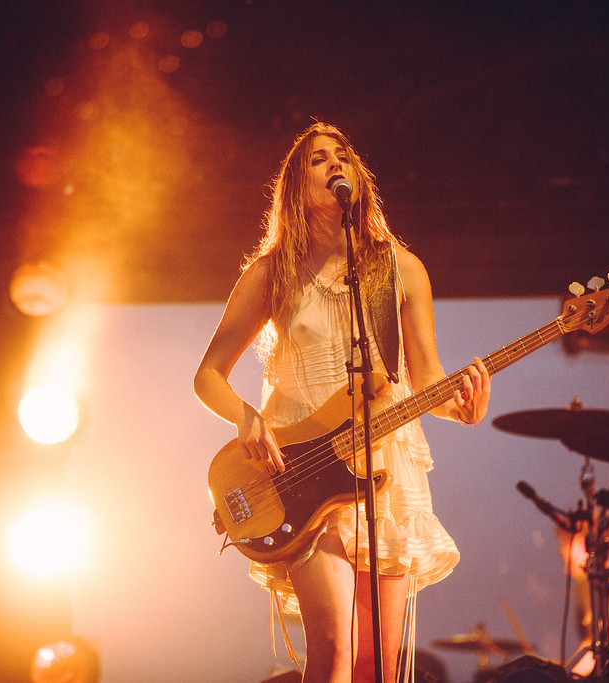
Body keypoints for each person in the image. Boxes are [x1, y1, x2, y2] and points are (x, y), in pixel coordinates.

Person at [194, 122, 491, 683]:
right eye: (317, 159)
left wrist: (464, 407)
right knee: (333, 650)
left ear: (358, 177)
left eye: (343, 155)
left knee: (380, 664)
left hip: (383, 461)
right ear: (294, 187)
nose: (334, 163)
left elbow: (426, 380)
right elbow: (208, 375)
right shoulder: (272, 273)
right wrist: (246, 417)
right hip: (300, 468)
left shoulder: (400, 269)